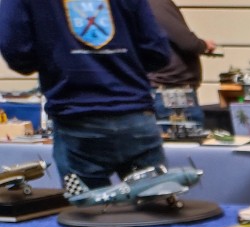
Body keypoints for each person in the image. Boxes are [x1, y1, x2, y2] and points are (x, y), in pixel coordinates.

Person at [0, 0, 171, 189]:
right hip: (134, 113)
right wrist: (121, 67)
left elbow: (16, 51)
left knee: (86, 205)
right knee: (156, 199)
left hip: (75, 118)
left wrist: (58, 61)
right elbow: (157, 51)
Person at [146, 0, 216, 128]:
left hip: (161, 90)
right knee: (185, 139)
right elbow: (187, 43)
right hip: (171, 92)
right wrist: (203, 45)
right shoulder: (157, 3)